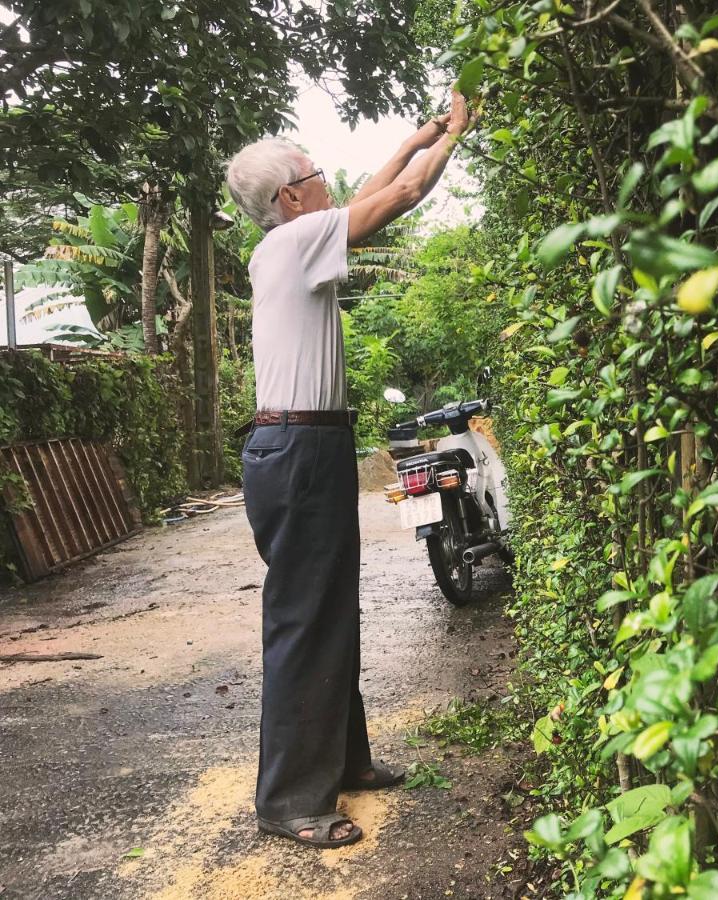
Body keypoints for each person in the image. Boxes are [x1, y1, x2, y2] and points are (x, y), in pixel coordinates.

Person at [223, 90, 475, 848]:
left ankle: (343, 759)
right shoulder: (291, 244)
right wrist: (456, 137)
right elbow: (400, 195)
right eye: (316, 172)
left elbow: (372, 189)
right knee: (305, 617)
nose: (329, 179)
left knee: (331, 607)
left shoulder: (298, 240)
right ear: (289, 196)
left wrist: (427, 128)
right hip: (298, 450)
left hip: (310, 445)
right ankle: (290, 802)